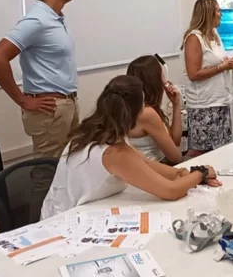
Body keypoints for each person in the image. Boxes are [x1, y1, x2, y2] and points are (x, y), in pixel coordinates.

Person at [41, 75, 221, 219]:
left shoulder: (93, 132)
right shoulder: (115, 152)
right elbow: (170, 191)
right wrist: (202, 173)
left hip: (62, 212)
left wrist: (183, 174)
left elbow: (145, 164)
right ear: (136, 112)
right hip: (64, 223)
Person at [0, 0, 79, 222]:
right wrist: (22, 100)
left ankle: (63, 224)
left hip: (67, 104)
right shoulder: (36, 20)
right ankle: (38, 232)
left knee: (67, 170)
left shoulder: (55, 19)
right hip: (50, 110)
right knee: (46, 175)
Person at [181, 0, 233, 157]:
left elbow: (216, 62)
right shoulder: (194, 38)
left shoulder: (214, 34)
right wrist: (222, 67)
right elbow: (193, 74)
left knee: (221, 147)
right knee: (202, 150)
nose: (221, 14)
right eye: (218, 10)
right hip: (204, 104)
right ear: (208, 14)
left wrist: (228, 63)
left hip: (220, 99)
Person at [126, 56, 183, 164]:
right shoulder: (146, 114)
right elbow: (176, 157)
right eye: (162, 76)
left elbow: (175, 141)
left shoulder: (137, 107)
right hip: (156, 166)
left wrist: (176, 104)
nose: (165, 82)